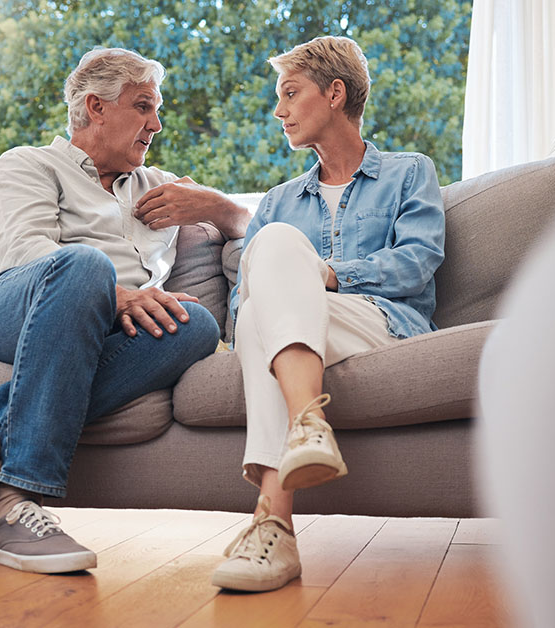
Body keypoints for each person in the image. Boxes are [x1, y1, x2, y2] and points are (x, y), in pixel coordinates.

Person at [0, 48, 234, 574]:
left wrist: (218, 208)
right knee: (85, 267)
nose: (155, 125)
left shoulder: (162, 185)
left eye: (156, 111)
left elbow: (260, 223)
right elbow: (23, 255)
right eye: (143, 107)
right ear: (95, 107)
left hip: (97, 333)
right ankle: (14, 504)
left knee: (196, 324)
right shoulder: (29, 164)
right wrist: (119, 296)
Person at [208, 36, 446, 592]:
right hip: (294, 328)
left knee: (275, 288)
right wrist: (293, 281)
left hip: (377, 321)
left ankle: (271, 524)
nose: (279, 110)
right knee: (270, 264)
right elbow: (245, 301)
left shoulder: (410, 173)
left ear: (335, 93)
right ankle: (305, 433)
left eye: (291, 93)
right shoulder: (277, 201)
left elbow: (417, 263)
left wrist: (329, 275)